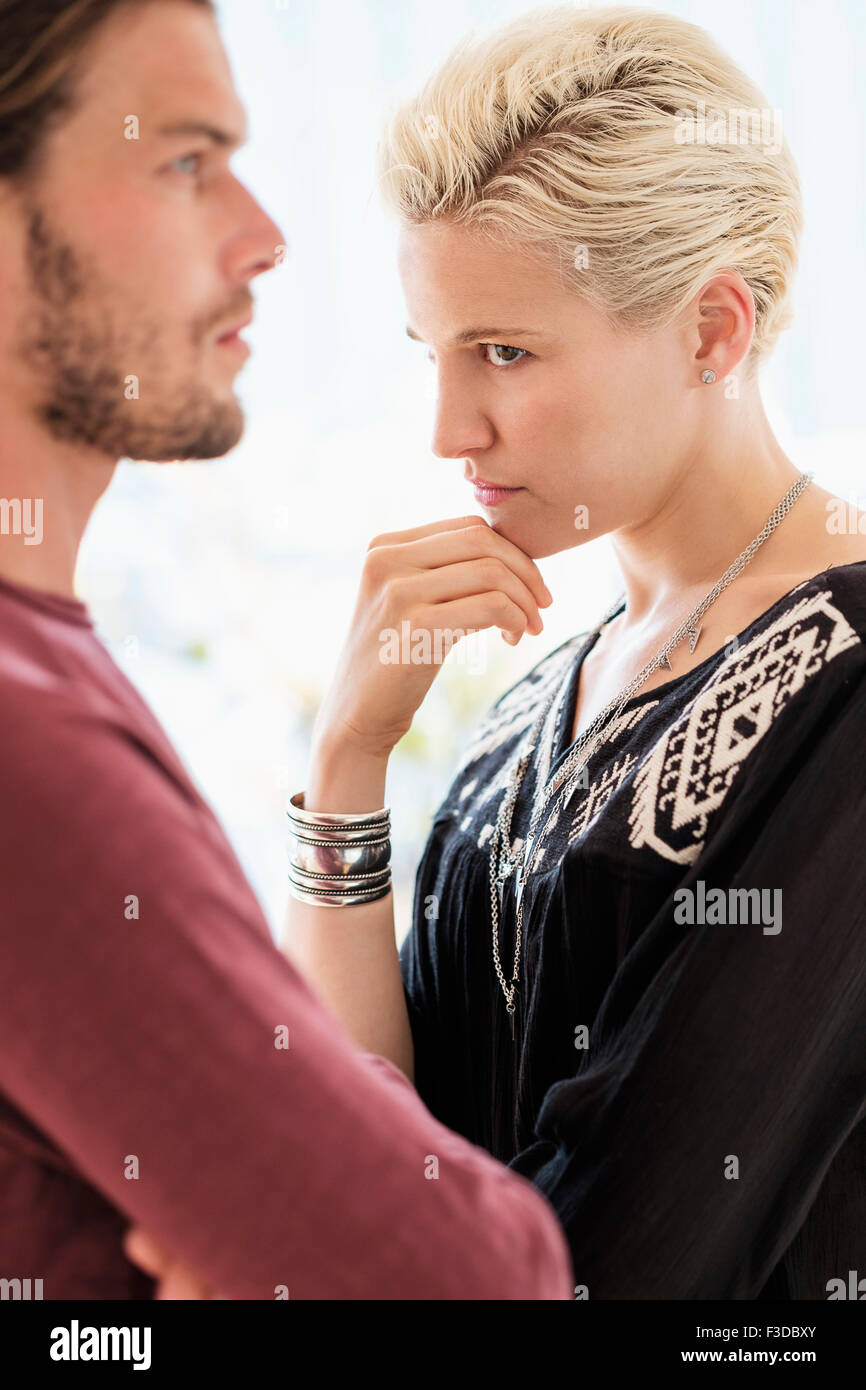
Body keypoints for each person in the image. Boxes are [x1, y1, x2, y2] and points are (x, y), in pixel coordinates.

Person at [137, 5, 866, 1301]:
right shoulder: (533, 697)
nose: (445, 428)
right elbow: (369, 1151)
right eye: (432, 351)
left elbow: (636, 1248)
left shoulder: (849, 675)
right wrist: (348, 760)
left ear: (711, 331)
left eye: (505, 353)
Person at [0, 0, 575, 1301]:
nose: (263, 238)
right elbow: (473, 1282)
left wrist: (301, 1169)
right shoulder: (27, 747)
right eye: (187, 160)